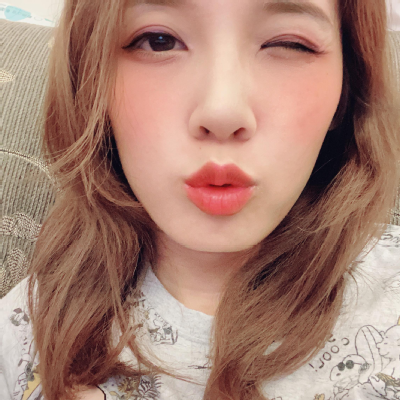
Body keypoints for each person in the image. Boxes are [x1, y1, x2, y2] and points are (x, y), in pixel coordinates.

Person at [1, 0, 399, 399]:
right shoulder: (24, 332)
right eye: (158, 41)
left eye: (289, 44)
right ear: (91, 82)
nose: (222, 112)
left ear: (347, 87)